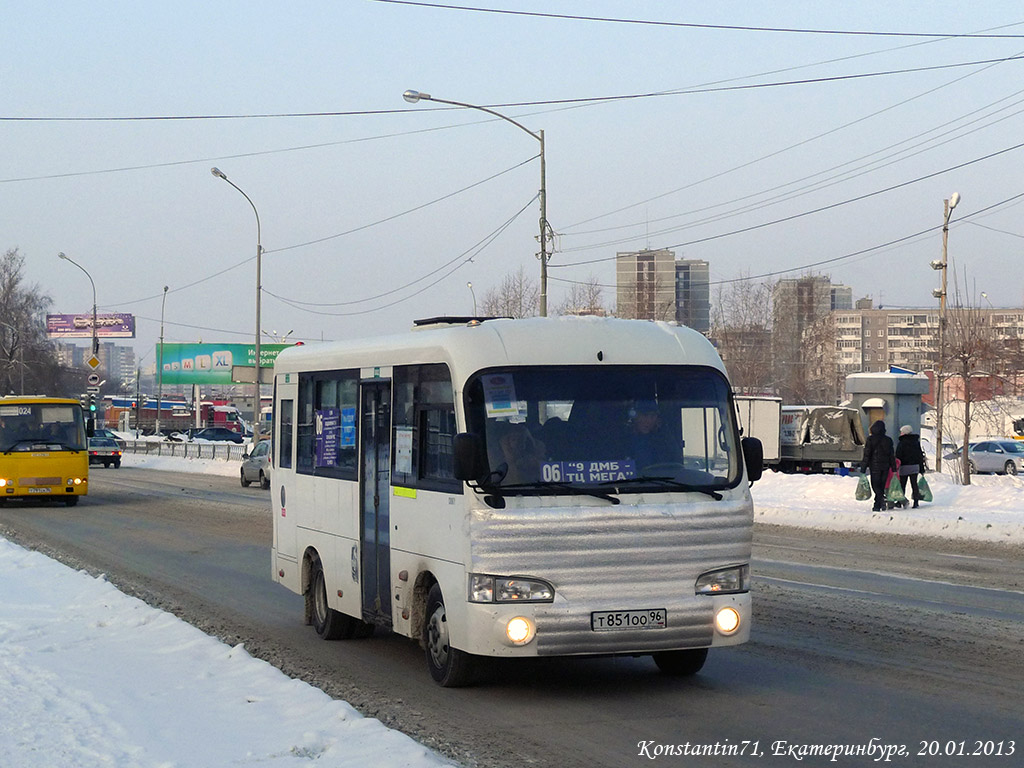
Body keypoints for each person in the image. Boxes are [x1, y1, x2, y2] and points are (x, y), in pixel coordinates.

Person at [626, 400, 680, 472]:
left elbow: (676, 464)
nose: (648, 420)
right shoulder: (623, 440)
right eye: (644, 415)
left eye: (652, 416)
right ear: (634, 416)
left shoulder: (665, 441)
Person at [860, 420, 896, 512]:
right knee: (882, 485)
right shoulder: (888, 440)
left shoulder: (870, 439)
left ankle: (879, 503)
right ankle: (879, 504)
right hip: (885, 466)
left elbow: (867, 454)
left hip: (875, 466)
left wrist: (863, 467)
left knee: (876, 486)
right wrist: (894, 467)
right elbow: (891, 455)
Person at [895, 424, 926, 509]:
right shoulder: (916, 442)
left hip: (904, 467)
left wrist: (896, 466)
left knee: (902, 484)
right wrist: (921, 468)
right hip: (915, 467)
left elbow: (898, 455)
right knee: (914, 484)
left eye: (901, 432)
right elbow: (920, 455)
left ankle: (900, 501)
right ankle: (916, 502)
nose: (900, 433)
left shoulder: (901, 443)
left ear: (904, 433)